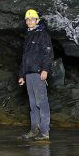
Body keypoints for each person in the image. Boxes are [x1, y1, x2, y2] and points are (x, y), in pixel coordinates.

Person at [18, 9, 52, 140]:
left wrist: (45, 69)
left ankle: (44, 132)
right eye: (27, 19)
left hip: (38, 73)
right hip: (29, 74)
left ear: (37, 21)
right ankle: (34, 130)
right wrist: (21, 75)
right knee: (33, 105)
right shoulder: (28, 36)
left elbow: (47, 53)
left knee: (41, 103)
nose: (29, 21)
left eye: (32, 19)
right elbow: (25, 58)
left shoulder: (42, 35)